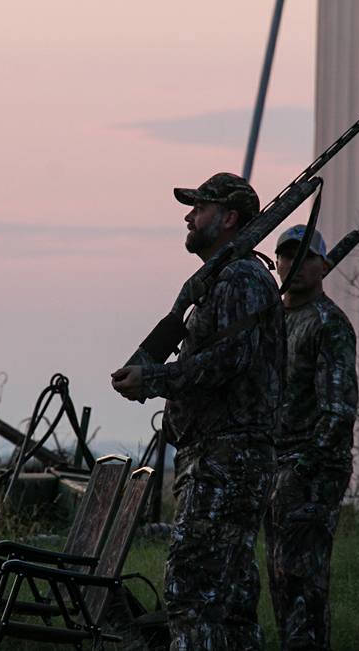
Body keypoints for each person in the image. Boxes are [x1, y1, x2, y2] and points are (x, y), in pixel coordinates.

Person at [111, 172, 286, 650]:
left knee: (191, 595)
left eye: (199, 208)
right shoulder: (218, 283)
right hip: (213, 458)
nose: (189, 217)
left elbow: (231, 362)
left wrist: (155, 379)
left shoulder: (243, 278)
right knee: (227, 604)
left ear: (229, 219)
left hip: (228, 459)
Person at [264, 225, 358, 651]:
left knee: (304, 584)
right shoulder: (275, 319)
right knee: (281, 582)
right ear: (276, 262)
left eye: (306, 258)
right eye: (287, 256)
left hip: (312, 471)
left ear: (323, 265)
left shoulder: (330, 324)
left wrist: (302, 470)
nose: (294, 265)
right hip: (276, 466)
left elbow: (338, 413)